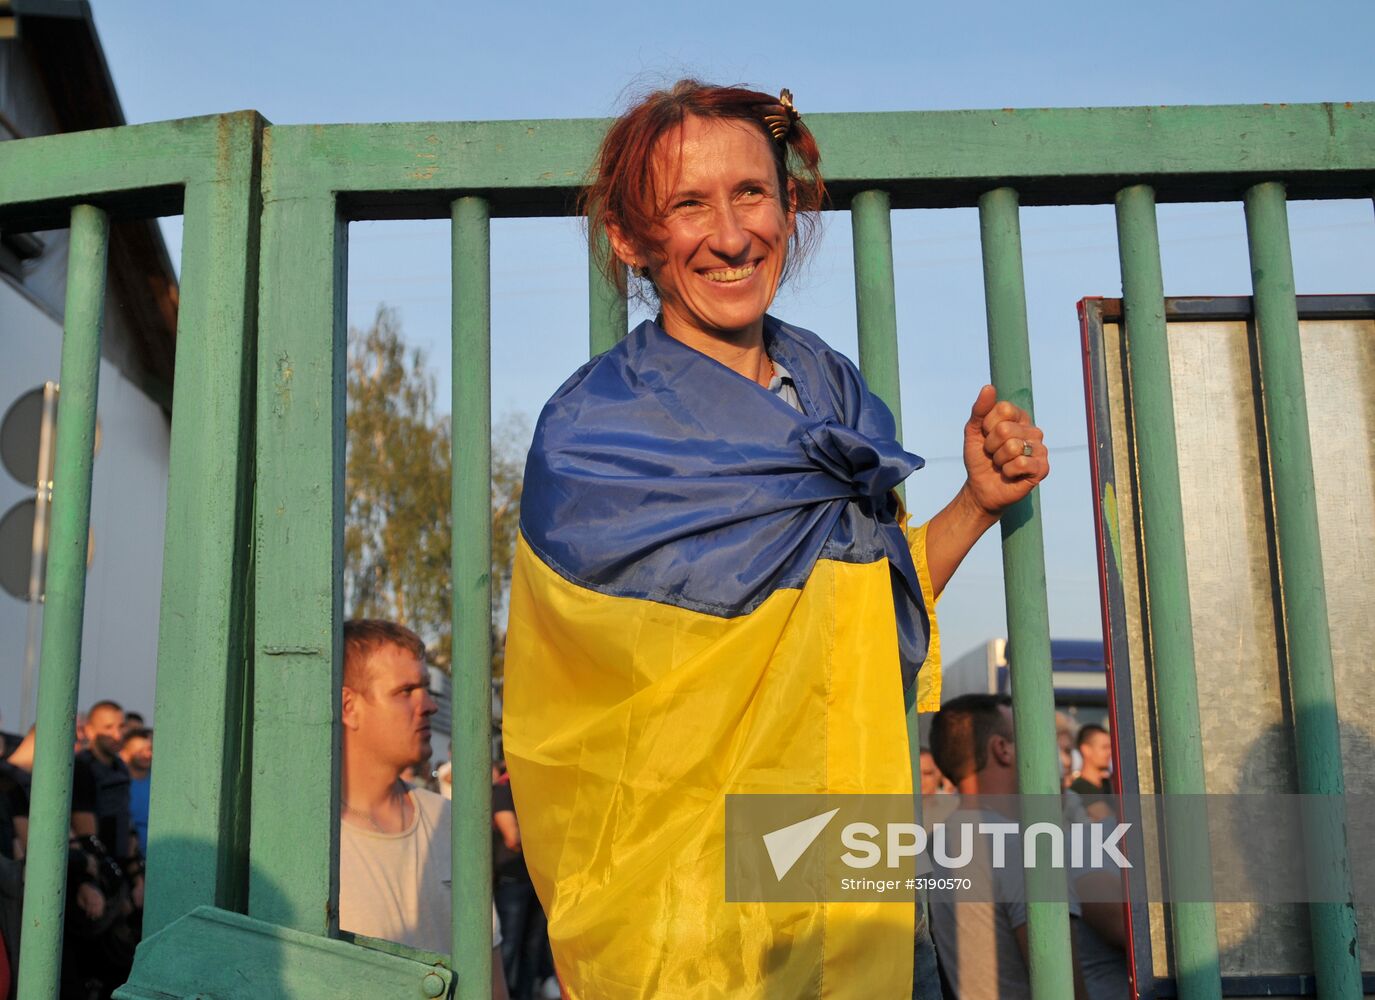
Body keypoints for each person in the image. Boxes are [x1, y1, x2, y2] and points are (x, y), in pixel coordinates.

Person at [503, 80, 1050, 999]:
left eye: (751, 193)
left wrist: (975, 504)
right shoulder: (595, 438)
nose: (729, 236)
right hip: (694, 923)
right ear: (629, 237)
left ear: (788, 209)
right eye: (688, 204)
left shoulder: (832, 393)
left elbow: (858, 616)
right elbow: (579, 719)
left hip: (858, 896)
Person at [335, 619, 509, 1000]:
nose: (429, 705)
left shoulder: (451, 823)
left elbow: (492, 982)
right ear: (349, 707)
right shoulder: (309, 840)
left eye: (426, 689)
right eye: (406, 691)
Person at [927, 694, 1088, 1000]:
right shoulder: (1023, 846)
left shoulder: (936, 842)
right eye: (1030, 736)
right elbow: (1064, 985)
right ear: (1002, 749)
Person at [119, 728, 153, 858]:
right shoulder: (117, 784)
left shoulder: (160, 784)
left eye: (149, 749)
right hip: (127, 856)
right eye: (139, 751)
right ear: (125, 753)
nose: (147, 755)